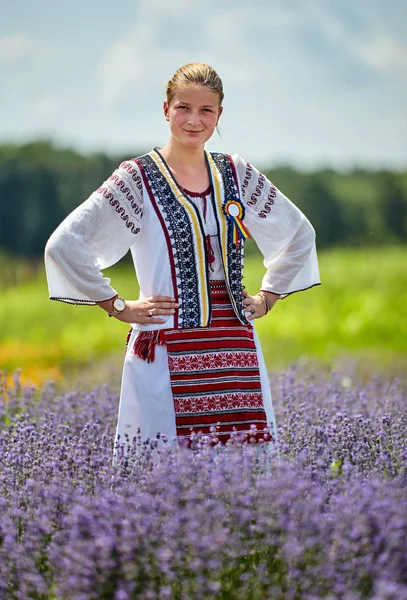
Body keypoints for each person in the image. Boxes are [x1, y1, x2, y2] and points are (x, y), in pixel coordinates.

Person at [45, 62, 320, 451]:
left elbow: (298, 233)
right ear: (166, 109)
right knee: (165, 474)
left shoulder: (236, 173)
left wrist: (268, 296)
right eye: (183, 108)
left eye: (206, 110)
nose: (194, 120)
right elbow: (65, 244)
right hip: (165, 346)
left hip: (234, 347)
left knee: (244, 471)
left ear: (219, 115)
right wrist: (118, 305)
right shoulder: (137, 177)